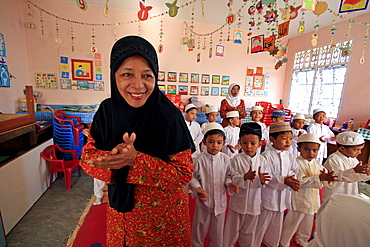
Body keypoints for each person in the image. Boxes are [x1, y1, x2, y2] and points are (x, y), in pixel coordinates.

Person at [80, 35, 195, 246]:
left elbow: (183, 174)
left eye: (147, 76)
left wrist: (135, 161)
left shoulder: (169, 116)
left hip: (162, 221)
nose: (138, 85)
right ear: (114, 75)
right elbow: (88, 156)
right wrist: (113, 161)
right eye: (127, 74)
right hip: (120, 217)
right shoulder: (107, 111)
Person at [280, 134, 338, 247]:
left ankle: (302, 239)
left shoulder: (316, 163)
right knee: (293, 221)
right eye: (306, 149)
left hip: (312, 198)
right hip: (299, 198)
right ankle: (284, 242)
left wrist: (329, 178)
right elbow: (300, 181)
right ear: (298, 149)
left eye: (314, 150)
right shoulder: (296, 163)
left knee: (308, 221)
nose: (311, 153)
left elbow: (324, 176)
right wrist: (319, 178)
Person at [189, 123, 239, 247]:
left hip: (220, 204)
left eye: (218, 142)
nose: (215, 145)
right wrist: (197, 188)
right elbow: (192, 177)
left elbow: (228, 176)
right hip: (203, 203)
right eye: (211, 142)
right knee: (199, 231)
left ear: (223, 143)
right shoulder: (199, 160)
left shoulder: (226, 159)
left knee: (218, 234)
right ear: (204, 142)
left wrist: (230, 183)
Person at [223, 122, 271, 247]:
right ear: (240, 142)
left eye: (253, 143)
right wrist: (244, 177)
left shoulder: (263, 160)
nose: (248, 147)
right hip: (238, 202)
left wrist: (262, 181)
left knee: (249, 232)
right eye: (244, 143)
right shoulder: (236, 159)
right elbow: (231, 177)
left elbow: (266, 180)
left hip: (254, 203)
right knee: (231, 231)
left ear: (260, 144)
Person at [254, 122, 300, 247]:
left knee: (277, 223)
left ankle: (271, 243)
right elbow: (265, 176)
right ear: (272, 139)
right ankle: (255, 243)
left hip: (282, 196)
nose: (288, 142)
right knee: (262, 223)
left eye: (290, 139)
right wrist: (283, 180)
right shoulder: (266, 156)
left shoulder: (289, 156)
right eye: (284, 139)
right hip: (269, 196)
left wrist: (291, 179)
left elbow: (295, 170)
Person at [322, 131, 370, 202]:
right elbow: (336, 177)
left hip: (350, 191)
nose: (360, 152)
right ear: (342, 148)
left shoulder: (353, 158)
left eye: (360, 149)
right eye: (357, 150)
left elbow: (356, 177)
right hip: (336, 193)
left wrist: (366, 173)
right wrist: (354, 171)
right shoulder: (333, 159)